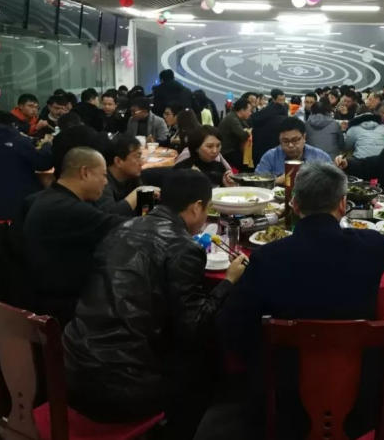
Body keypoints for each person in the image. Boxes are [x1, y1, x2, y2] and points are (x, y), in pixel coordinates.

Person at [63, 170, 247, 440]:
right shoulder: (183, 247)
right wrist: (228, 282)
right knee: (209, 367)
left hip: (71, 369)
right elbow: (194, 327)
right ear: (197, 207)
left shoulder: (122, 228)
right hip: (121, 386)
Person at [221, 162, 384, 439]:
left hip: (284, 396)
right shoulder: (375, 248)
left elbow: (236, 327)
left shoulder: (267, 258)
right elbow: (376, 242)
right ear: (343, 204)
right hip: (360, 394)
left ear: (295, 205)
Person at [22, 147, 128, 326]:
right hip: (63, 311)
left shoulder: (49, 198)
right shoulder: (65, 209)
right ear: (84, 172)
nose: (105, 182)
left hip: (47, 296)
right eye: (103, 175)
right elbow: (123, 227)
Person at [0, 111, 53, 220]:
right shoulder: (18, 141)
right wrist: (47, 146)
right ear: (13, 125)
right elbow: (43, 163)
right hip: (16, 204)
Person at [255, 116, 332, 182]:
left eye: (295, 140)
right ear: (279, 140)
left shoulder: (320, 157)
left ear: (304, 137)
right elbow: (258, 182)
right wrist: (277, 181)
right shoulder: (270, 157)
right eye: (285, 141)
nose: (290, 145)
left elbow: (333, 182)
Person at [95, 135, 149, 215]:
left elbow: (145, 213)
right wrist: (136, 195)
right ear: (118, 161)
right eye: (137, 157)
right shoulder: (102, 182)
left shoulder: (133, 176)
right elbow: (109, 216)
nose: (142, 163)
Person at [250, 88, 288, 166]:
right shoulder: (281, 111)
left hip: (260, 148)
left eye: (283, 100)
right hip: (271, 146)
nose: (282, 102)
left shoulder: (265, 111)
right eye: (280, 100)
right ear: (273, 99)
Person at [218, 97, 252, 167]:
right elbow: (243, 135)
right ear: (242, 110)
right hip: (227, 151)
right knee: (246, 165)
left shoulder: (236, 116)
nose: (250, 113)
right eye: (249, 111)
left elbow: (247, 127)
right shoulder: (232, 119)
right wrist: (249, 132)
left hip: (232, 149)